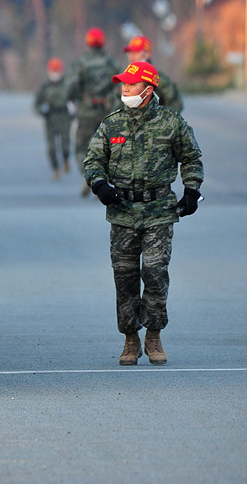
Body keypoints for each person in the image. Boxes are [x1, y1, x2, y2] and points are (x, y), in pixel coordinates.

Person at [83, 61, 203, 366]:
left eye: (131, 84)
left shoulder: (172, 123)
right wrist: (99, 185)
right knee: (124, 277)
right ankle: (130, 340)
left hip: (159, 210)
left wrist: (191, 190)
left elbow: (191, 157)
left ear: (148, 89)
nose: (124, 88)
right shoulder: (111, 124)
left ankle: (153, 334)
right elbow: (93, 160)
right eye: (123, 83)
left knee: (154, 271)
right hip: (122, 211)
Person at [65, 27, 122, 195]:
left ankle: (89, 176)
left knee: (82, 146)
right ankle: (103, 178)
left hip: (86, 111)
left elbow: (70, 85)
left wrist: (73, 99)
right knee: (107, 146)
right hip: (107, 111)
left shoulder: (81, 63)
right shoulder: (110, 63)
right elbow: (121, 83)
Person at [33, 58, 73, 180]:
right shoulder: (45, 87)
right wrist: (41, 111)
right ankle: (56, 168)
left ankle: (66, 159)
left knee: (65, 144)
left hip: (64, 116)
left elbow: (75, 98)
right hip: (50, 117)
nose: (55, 73)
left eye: (57, 70)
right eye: (53, 70)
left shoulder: (67, 85)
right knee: (51, 148)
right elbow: (37, 104)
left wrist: (74, 109)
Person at [124, 35, 183, 113]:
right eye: (130, 52)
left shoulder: (157, 78)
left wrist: (160, 119)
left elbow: (176, 104)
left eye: (136, 52)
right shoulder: (124, 78)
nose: (131, 56)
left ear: (147, 54)